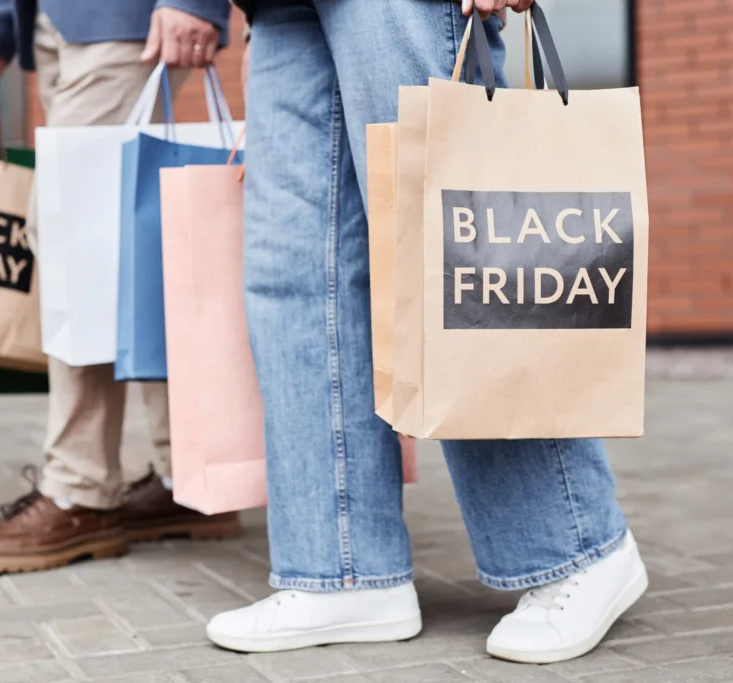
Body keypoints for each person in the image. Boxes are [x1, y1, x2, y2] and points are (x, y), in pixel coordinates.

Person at [207, 0, 649, 664]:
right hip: (278, 8)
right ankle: (344, 571)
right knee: (296, 274)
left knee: (456, 249)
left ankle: (577, 547)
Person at [0, 0, 238, 575]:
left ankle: (80, 490)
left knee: (70, 229)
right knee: (127, 239)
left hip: (127, 21)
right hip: (58, 23)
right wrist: (0, 24)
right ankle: (190, 476)